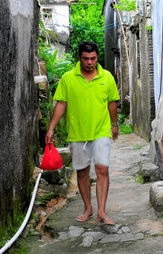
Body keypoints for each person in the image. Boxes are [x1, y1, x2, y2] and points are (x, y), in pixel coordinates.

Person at [45, 41, 120, 225]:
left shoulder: (107, 77)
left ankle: (102, 212)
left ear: (97, 57)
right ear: (79, 58)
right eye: (85, 58)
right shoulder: (68, 79)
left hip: (101, 131)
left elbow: (112, 102)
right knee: (82, 172)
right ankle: (88, 207)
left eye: (93, 58)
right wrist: (51, 127)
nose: (89, 62)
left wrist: (115, 124)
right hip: (77, 133)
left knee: (102, 169)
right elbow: (61, 103)